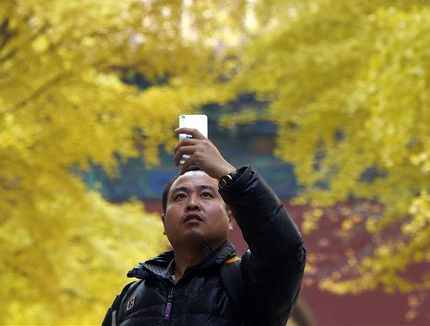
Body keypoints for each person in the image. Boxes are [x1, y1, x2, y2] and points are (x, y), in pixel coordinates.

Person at [101, 126, 306, 326]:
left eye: (206, 194)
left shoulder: (249, 280)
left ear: (230, 218)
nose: (192, 203)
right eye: (180, 196)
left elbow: (284, 250)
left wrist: (230, 175)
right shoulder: (130, 298)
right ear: (164, 222)